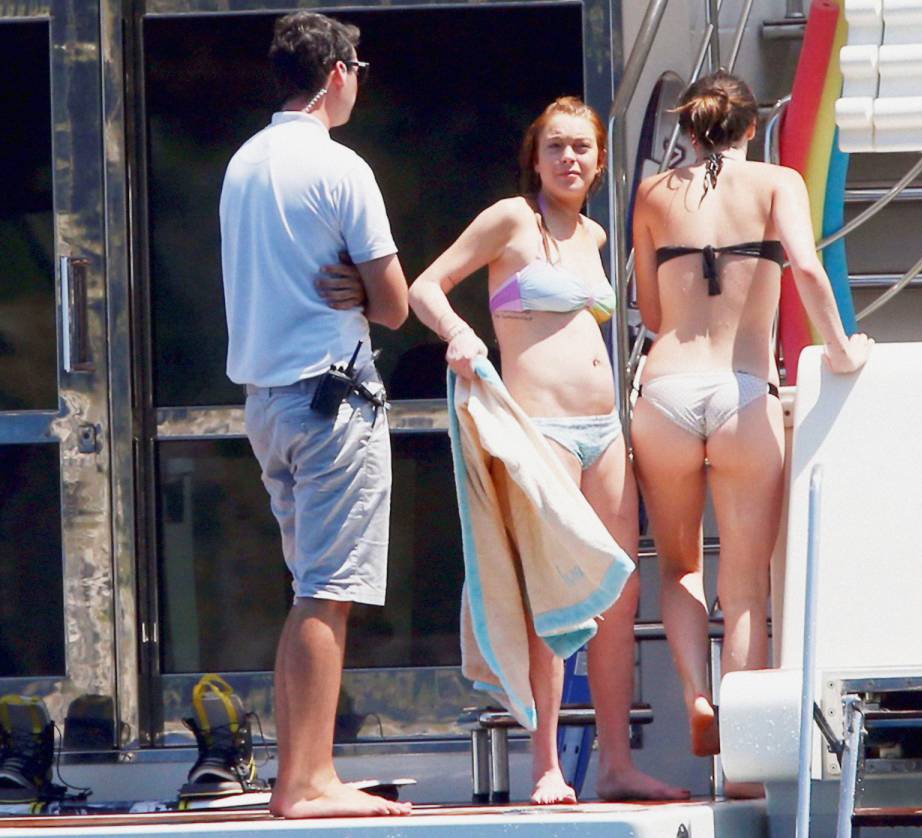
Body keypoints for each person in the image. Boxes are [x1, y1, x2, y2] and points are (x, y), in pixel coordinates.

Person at [408, 97, 688, 805]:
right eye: (556, 146)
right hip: (542, 430)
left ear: (599, 161)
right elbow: (425, 287)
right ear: (534, 158)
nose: (569, 158)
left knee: (619, 594)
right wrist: (459, 335)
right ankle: (546, 765)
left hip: (604, 433)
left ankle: (617, 764)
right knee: (553, 599)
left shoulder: (594, 234)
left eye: (582, 147)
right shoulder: (510, 219)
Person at [630, 71, 871, 768]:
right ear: (753, 127)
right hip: (742, 391)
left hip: (666, 392)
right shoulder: (776, 182)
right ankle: (743, 757)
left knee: (679, 568)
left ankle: (696, 697)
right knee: (744, 589)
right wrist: (843, 350)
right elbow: (808, 270)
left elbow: (653, 312)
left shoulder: (653, 194)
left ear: (688, 128)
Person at [219, 11, 410, 819]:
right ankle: (308, 780)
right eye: (357, 68)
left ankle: (295, 777)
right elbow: (395, 306)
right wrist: (364, 288)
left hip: (267, 404)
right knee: (328, 594)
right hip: (332, 403)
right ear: (336, 73)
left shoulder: (243, 163)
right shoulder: (340, 166)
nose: (359, 82)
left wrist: (353, 285)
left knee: (309, 592)